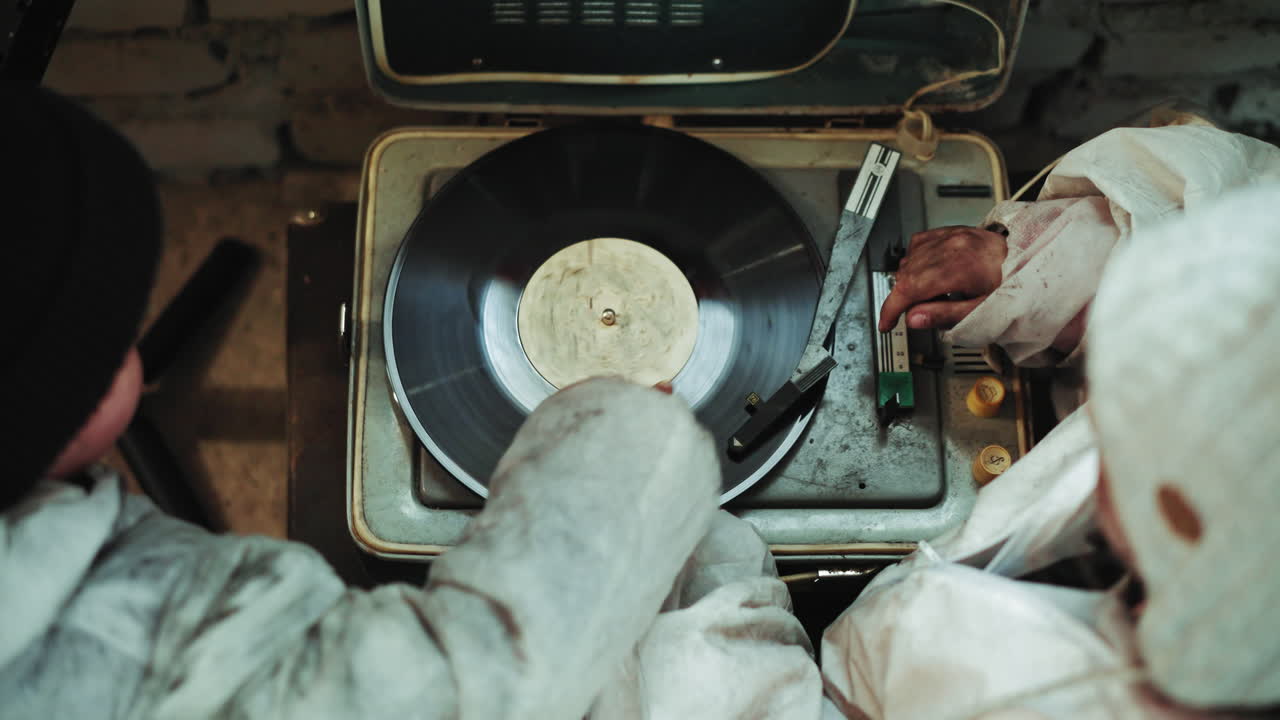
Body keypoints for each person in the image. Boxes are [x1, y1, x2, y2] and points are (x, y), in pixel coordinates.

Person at [0, 89, 821, 719]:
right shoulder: (150, 629)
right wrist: (613, 435)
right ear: (64, 400)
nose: (130, 341)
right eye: (114, 331)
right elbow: (471, 689)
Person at [820, 181, 1280, 712]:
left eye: (1120, 443)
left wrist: (735, 595)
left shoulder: (1000, 691)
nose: (1098, 436)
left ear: (1182, 519)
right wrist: (1040, 267)